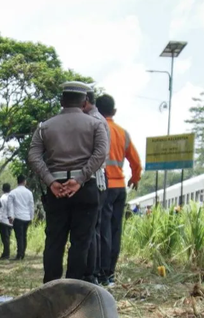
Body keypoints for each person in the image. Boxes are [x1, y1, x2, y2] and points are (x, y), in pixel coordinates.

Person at [28, 81, 108, 283]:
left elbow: (34, 156)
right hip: (85, 188)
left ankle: (51, 287)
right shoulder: (96, 125)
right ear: (84, 102)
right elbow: (101, 154)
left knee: (54, 240)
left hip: (56, 190)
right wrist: (79, 179)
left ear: (62, 101)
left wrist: (50, 181)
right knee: (81, 241)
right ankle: (74, 287)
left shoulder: (45, 127)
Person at [96, 94, 142, 286]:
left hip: (102, 186)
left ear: (95, 110)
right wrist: (135, 178)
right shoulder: (123, 133)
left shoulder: (97, 129)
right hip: (120, 188)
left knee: (102, 231)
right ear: (114, 112)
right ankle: (111, 273)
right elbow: (136, 161)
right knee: (116, 230)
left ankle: (102, 273)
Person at [83, 90, 110, 282]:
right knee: (94, 228)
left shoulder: (94, 121)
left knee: (91, 228)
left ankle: (91, 273)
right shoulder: (96, 119)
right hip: (97, 178)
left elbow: (99, 155)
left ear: (85, 101)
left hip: (95, 179)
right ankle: (94, 271)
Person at [7, 175, 34, 260]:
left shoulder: (13, 192)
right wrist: (31, 217)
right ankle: (22, 253)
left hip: (17, 217)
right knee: (24, 236)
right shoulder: (29, 193)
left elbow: (9, 206)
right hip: (26, 217)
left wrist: (10, 216)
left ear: (17, 181)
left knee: (19, 236)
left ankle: (19, 254)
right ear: (24, 181)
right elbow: (31, 206)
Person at [0, 182, 12, 259]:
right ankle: (6, 252)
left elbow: (0, 210)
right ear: (10, 189)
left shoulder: (2, 198)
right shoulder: (12, 197)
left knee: (4, 238)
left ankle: (6, 254)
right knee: (7, 237)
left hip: (3, 220)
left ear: (3, 189)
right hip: (10, 221)